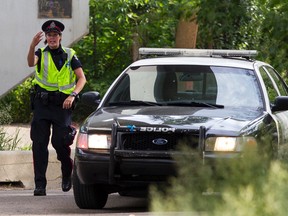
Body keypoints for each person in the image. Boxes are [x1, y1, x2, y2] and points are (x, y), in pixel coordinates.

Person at [27, 20, 86, 196]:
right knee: (39, 144)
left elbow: (81, 78)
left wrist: (73, 95)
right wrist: (31, 46)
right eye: (49, 35)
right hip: (42, 104)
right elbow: (31, 63)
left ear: (60, 37)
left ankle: (67, 171)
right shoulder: (40, 53)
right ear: (46, 37)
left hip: (63, 105)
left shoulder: (69, 54)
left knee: (59, 142)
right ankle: (40, 185)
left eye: (55, 35)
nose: (52, 38)